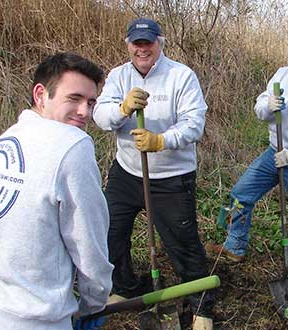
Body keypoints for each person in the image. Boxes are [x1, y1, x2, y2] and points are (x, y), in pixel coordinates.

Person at [0, 52, 113, 330]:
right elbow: (89, 243)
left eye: (91, 102)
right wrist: (94, 305)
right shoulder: (73, 145)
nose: (85, 112)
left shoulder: (7, 139)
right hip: (35, 319)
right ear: (41, 94)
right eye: (74, 98)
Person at [92, 18, 214, 330]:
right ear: (128, 44)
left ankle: (201, 306)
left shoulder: (181, 76)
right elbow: (100, 117)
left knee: (183, 242)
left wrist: (162, 140)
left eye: (148, 42)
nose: (142, 48)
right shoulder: (118, 76)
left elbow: (193, 123)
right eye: (137, 43)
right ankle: (124, 288)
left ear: (160, 42)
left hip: (172, 177)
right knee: (112, 232)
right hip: (128, 171)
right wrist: (122, 109)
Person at [206, 23, 288, 287]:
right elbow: (259, 108)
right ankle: (235, 246)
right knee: (241, 194)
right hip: (272, 153)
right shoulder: (282, 74)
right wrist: (267, 105)